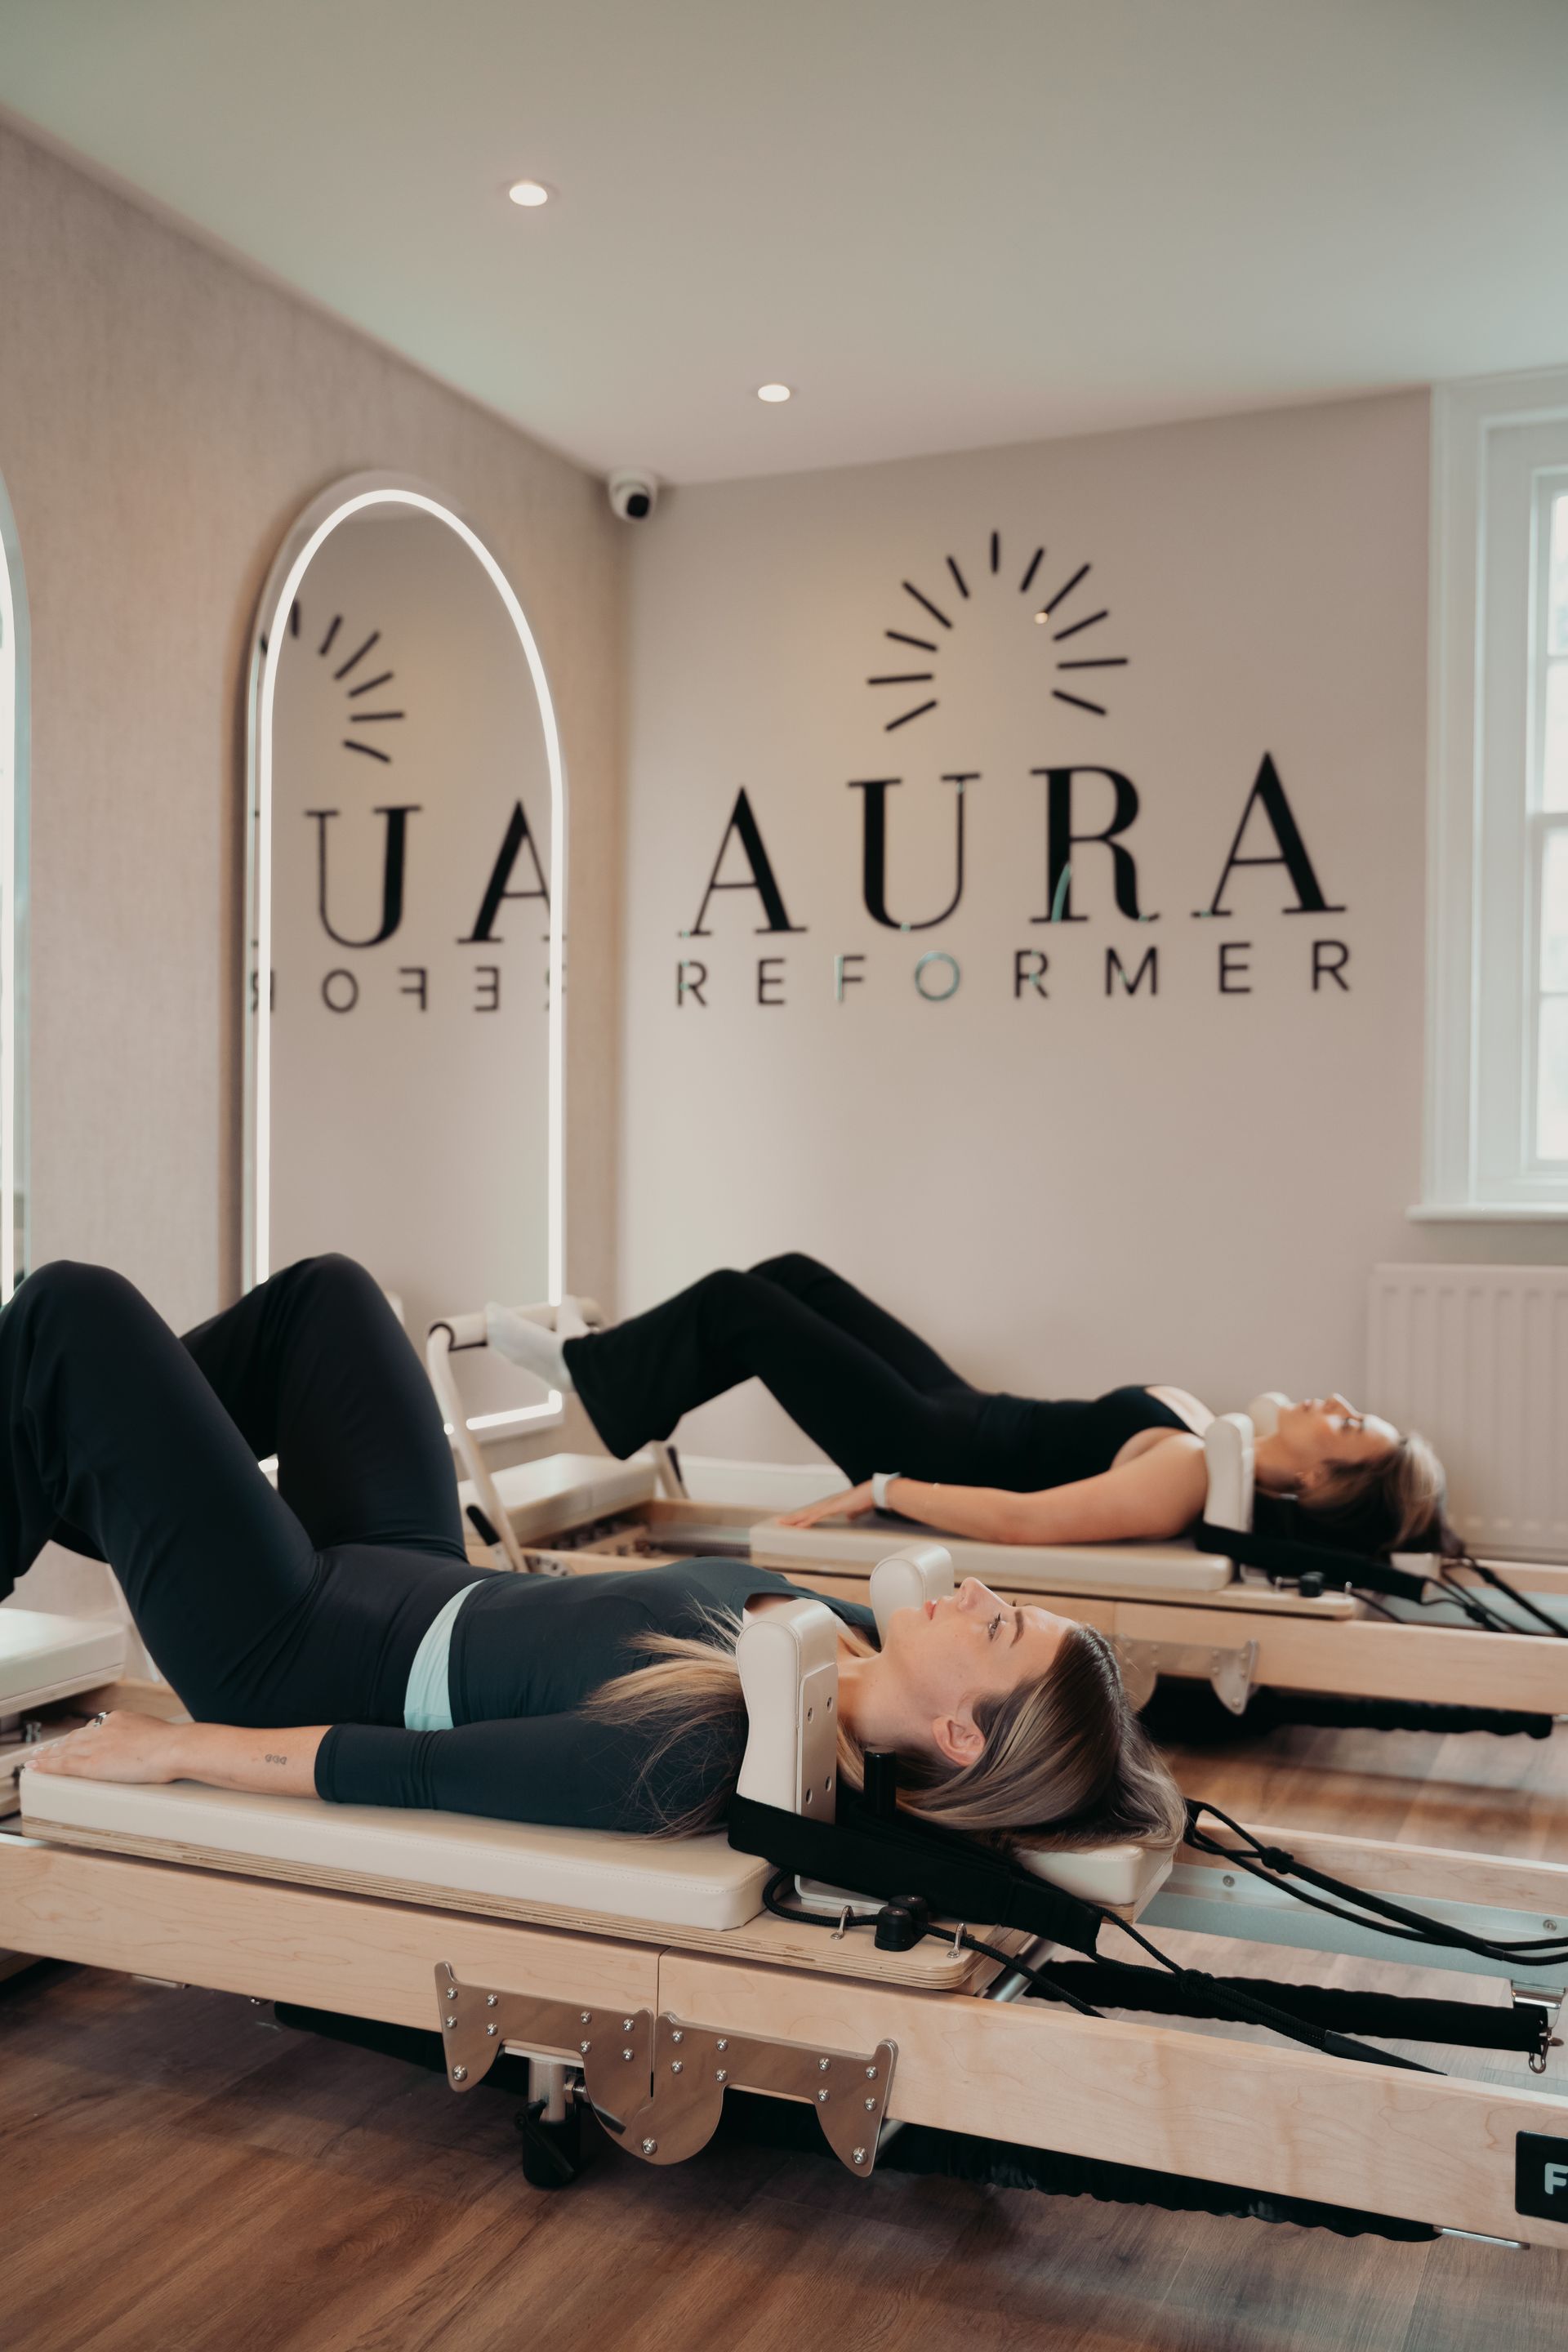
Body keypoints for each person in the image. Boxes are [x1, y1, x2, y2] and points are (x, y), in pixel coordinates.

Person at [9, 1255, 1183, 1854]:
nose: (976, 1590)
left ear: (960, 1735)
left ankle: (66, 1446)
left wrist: (176, 1750)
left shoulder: (703, 1750)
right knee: (330, 1297)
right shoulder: (844, 1650)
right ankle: (72, 1461)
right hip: (413, 1568)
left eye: (999, 1628)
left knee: (72, 1311)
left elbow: (409, 1772)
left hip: (295, 1651)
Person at [487, 1252, 1450, 1559]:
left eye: (1352, 1425)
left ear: (1325, 1480)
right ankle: (619, 1375)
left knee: (742, 1305)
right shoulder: (1217, 1443)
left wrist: (886, 1490)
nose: (1335, 1403)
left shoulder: (1191, 1472)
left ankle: (588, 1374)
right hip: (962, 1406)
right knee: (793, 1278)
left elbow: (1027, 1522)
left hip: (931, 1440)